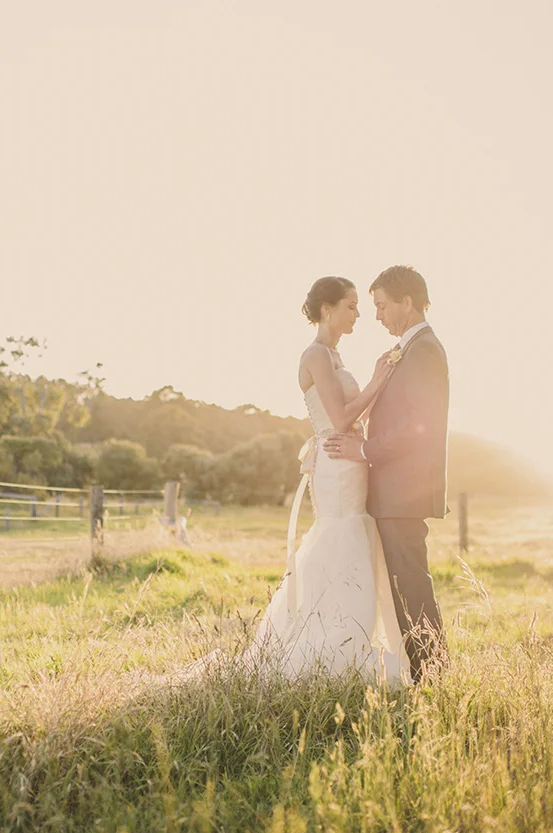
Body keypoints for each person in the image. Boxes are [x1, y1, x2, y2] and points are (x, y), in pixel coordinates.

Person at [169, 275, 411, 685]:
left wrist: (379, 389)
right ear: (327, 309)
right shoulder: (315, 354)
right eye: (352, 306)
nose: (358, 314)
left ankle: (345, 630)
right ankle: (332, 642)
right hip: (337, 464)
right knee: (340, 534)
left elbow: (357, 412)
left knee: (351, 536)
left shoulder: (335, 357)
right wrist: (377, 377)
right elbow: (340, 418)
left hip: (350, 461)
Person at [324, 265, 449, 680]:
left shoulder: (424, 350)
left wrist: (364, 449)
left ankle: (433, 674)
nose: (376, 315)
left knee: (411, 586)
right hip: (394, 490)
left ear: (406, 302)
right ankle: (422, 670)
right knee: (402, 586)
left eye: (381, 306)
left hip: (404, 491)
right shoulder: (408, 349)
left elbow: (419, 427)